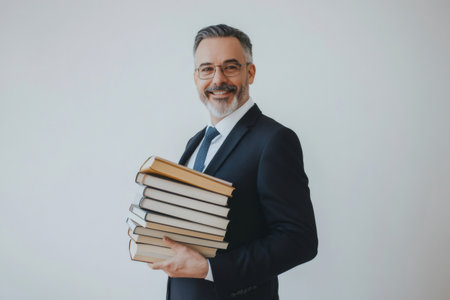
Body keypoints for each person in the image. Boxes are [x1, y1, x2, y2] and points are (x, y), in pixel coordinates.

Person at [150, 24, 318, 300]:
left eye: (230, 67)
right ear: (196, 78)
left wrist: (211, 269)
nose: (218, 80)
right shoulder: (196, 141)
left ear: (249, 72)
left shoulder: (274, 141)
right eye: (207, 69)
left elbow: (299, 240)